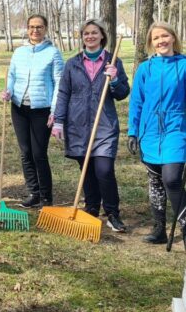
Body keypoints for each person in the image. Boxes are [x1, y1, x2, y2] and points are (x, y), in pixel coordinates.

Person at [127, 22, 186, 256]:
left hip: (174, 129)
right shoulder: (145, 69)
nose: (161, 41)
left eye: (165, 36)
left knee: (172, 179)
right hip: (148, 131)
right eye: (156, 38)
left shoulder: (184, 65)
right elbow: (136, 103)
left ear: (173, 38)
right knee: (155, 180)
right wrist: (133, 131)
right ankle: (159, 228)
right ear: (151, 42)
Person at [51, 19, 130, 233]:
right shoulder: (72, 63)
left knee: (104, 170)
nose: (90, 36)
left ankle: (113, 213)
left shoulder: (113, 61)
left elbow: (123, 93)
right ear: (82, 37)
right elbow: (64, 93)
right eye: (86, 33)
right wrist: (58, 121)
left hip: (104, 125)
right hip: (77, 125)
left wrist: (114, 79)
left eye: (94, 33)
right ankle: (92, 208)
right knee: (86, 170)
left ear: (102, 36)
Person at [2, 14, 64, 208]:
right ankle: (33, 192)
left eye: (39, 27)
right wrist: (9, 91)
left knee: (39, 153)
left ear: (45, 29)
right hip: (19, 107)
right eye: (31, 27)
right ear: (27, 29)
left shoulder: (53, 53)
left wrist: (54, 111)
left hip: (42, 109)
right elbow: (11, 76)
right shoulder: (19, 52)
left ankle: (46, 197)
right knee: (25, 152)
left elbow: (59, 83)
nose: (35, 30)